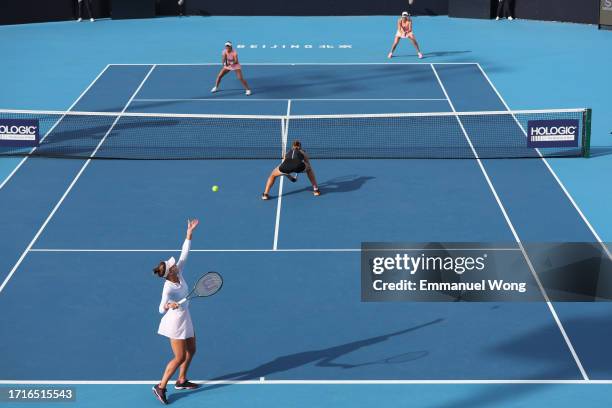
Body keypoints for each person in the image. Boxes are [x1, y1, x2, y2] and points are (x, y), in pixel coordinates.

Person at [152, 219, 200, 405]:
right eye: (172, 266)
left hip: (185, 317)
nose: (175, 265)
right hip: (175, 323)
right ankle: (161, 387)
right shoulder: (167, 288)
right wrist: (168, 305)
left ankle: (181, 380)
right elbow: (159, 308)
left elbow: (184, 255)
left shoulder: (177, 272)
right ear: (169, 273)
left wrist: (189, 233)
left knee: (192, 350)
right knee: (179, 356)